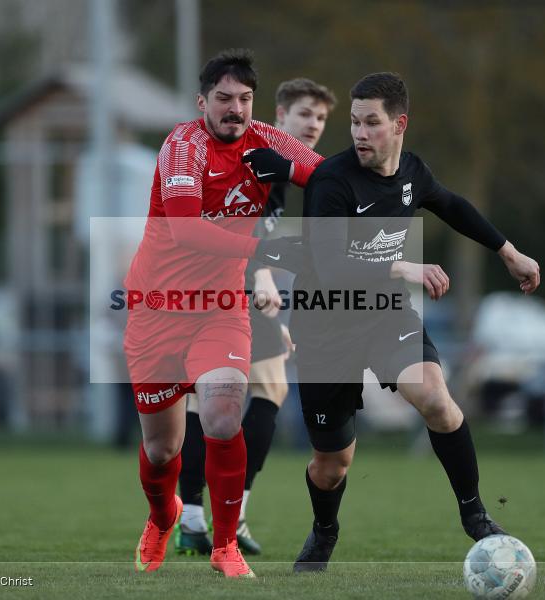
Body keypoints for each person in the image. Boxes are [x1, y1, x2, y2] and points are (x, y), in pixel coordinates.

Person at [289, 72, 541, 572]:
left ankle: (475, 515)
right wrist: (403, 266)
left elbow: (452, 206)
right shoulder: (331, 181)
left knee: (435, 398)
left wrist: (508, 252)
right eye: (355, 123)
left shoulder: (413, 173)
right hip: (324, 327)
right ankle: (324, 532)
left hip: (383, 314)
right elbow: (332, 266)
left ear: (399, 123)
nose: (360, 133)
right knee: (331, 464)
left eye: (372, 123)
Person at [122, 49, 323, 578]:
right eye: (224, 99)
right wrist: (270, 252)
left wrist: (387, 180)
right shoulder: (182, 146)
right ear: (202, 102)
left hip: (219, 307)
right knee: (162, 449)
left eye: (245, 99)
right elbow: (187, 230)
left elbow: (325, 176)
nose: (235, 109)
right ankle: (162, 518)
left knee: (221, 414)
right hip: (158, 309)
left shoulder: (266, 139)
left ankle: (225, 544)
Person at [176, 78, 337, 557]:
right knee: (265, 388)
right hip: (218, 287)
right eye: (304, 114)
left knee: (204, 401)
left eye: (321, 118)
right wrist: (262, 274)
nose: (313, 125)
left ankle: (193, 518)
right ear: (279, 117)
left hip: (220, 287)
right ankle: (225, 516)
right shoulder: (255, 157)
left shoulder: (281, 173)